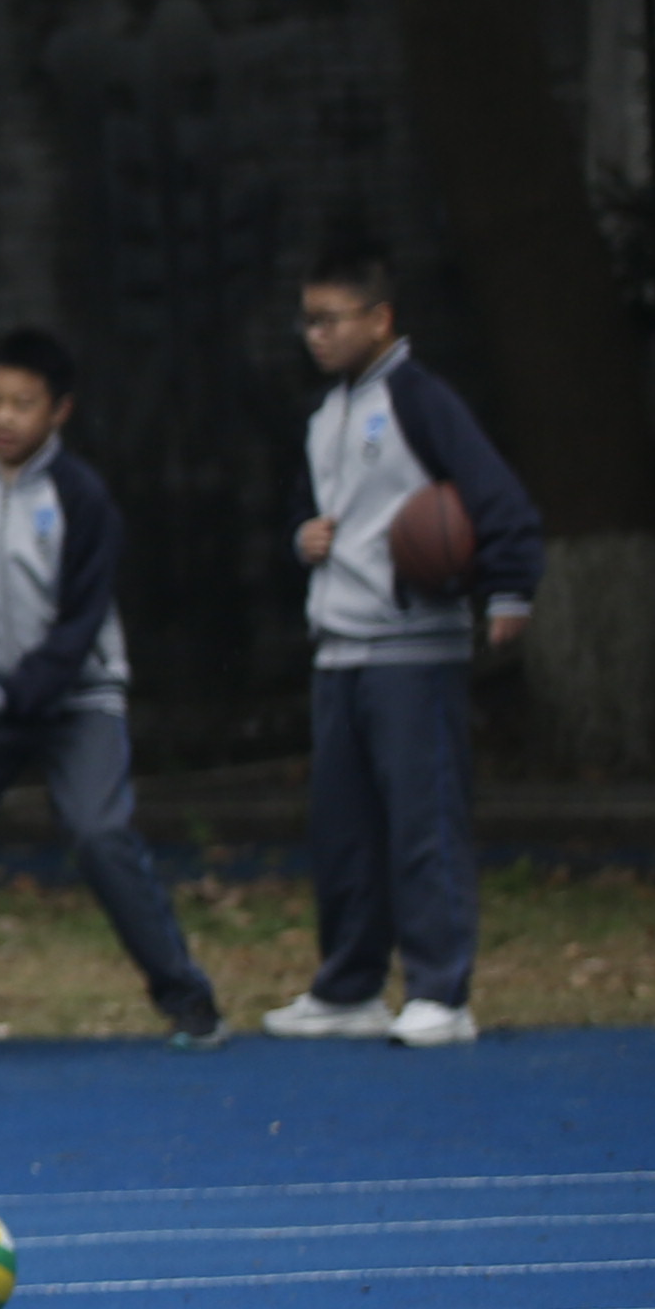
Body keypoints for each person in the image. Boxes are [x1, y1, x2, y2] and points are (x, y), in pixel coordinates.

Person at [0, 333, 222, 1057]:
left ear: (59, 412)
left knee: (97, 833)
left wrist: (7, 695)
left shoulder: (83, 498)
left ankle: (187, 997)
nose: (4, 417)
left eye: (23, 404)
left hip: (76, 699)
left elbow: (78, 627)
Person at [270, 253, 542, 1047]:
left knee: (423, 821)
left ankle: (441, 991)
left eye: (331, 319)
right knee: (344, 829)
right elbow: (307, 510)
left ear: (380, 319)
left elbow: (497, 502)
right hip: (339, 649)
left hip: (412, 648)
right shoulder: (326, 415)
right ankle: (350, 987)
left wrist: (509, 589)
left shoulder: (423, 402)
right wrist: (301, 536)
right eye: (308, 321)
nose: (315, 336)